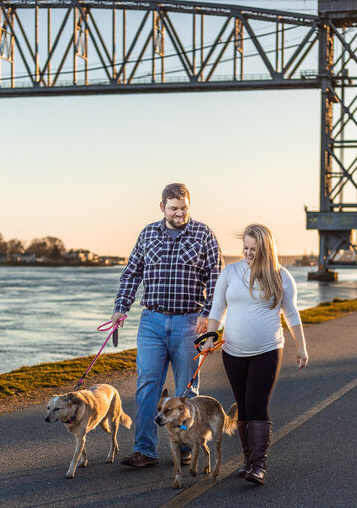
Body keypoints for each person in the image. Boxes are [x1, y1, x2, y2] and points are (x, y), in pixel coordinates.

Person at [111, 183, 223, 468]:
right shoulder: (148, 233)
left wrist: (208, 315)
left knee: (186, 389)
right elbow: (131, 272)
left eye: (184, 208)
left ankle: (187, 445)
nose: (179, 213)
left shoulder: (203, 234)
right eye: (174, 208)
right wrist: (120, 308)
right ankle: (144, 450)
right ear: (162, 207)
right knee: (148, 386)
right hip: (151, 320)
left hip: (189, 322)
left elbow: (217, 278)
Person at [202, 223, 308, 485]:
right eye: (245, 248)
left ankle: (259, 464)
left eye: (254, 249)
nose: (248, 253)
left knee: (257, 403)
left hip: (267, 350)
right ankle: (248, 460)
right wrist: (209, 336)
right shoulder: (230, 272)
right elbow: (217, 308)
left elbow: (291, 314)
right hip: (233, 351)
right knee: (243, 405)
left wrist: (302, 346)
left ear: (266, 248)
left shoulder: (281, 276)